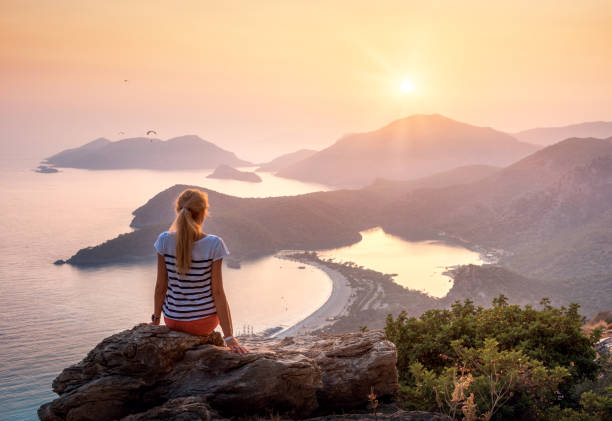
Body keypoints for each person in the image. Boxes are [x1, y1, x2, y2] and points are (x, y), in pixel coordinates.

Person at [149, 188, 248, 355]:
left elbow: (161, 286)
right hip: (203, 323)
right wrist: (229, 337)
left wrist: (156, 321)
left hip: (173, 320)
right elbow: (217, 292)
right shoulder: (214, 244)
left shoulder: (164, 240)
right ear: (203, 213)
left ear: (178, 211)